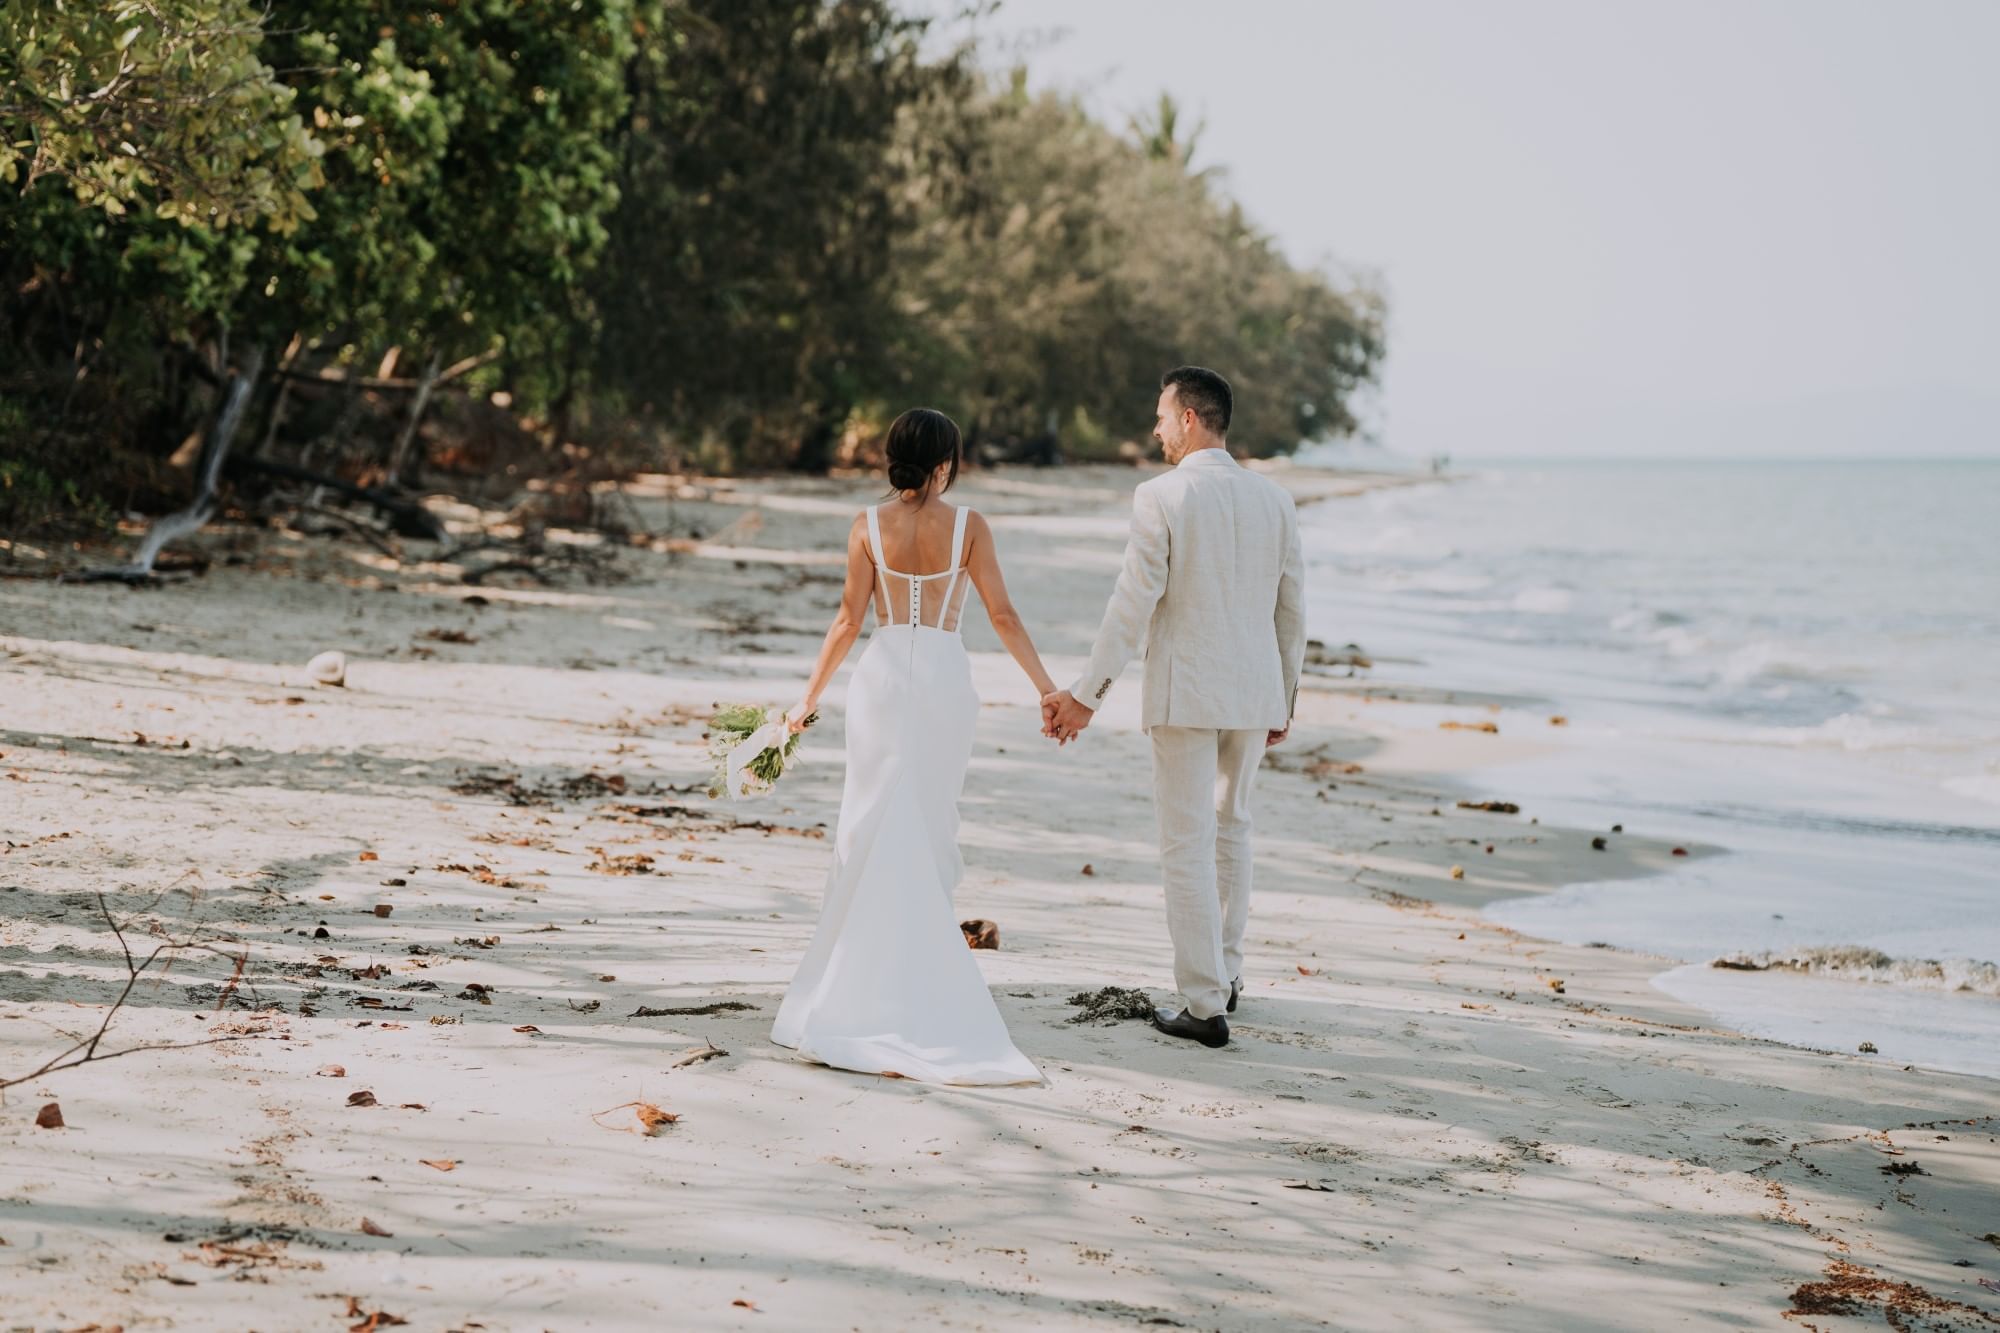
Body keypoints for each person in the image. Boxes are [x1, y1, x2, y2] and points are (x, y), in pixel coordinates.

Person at [771, 408, 1054, 1085]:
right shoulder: (969, 525)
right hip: (942, 679)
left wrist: (804, 700)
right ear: (945, 463)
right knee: (929, 822)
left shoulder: (867, 525)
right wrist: (1047, 687)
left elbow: (848, 619)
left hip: (882, 674)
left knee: (867, 821)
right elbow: (1003, 614)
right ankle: (913, 975)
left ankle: (845, 983)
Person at [1043, 366, 1306, 1049]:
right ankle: (1225, 976)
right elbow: (1292, 611)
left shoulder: (1162, 495)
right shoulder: (1276, 500)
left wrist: (1085, 695)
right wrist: (1286, 694)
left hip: (1186, 693)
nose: (1155, 428)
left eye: (1162, 415)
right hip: (1252, 693)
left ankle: (1202, 1002)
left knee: (1186, 846)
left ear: (1190, 417)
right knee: (1233, 830)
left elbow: (1133, 602)